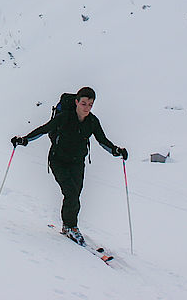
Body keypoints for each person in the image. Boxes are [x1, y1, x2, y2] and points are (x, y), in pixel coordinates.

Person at [11, 87, 127, 245]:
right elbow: (45, 129)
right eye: (84, 103)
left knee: (75, 194)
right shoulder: (65, 117)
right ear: (76, 102)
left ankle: (68, 226)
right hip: (58, 160)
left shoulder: (92, 121)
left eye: (90, 105)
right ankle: (71, 226)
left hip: (77, 163)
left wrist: (116, 150)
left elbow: (102, 140)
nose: (86, 108)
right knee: (71, 192)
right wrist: (24, 140)